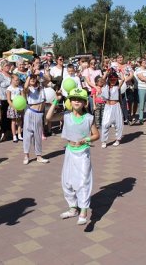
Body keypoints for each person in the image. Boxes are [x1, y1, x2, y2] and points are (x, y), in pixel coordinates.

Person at [46, 88, 100, 225]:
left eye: (79, 99)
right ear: (70, 102)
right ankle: (73, 208)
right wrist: (56, 100)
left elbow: (96, 135)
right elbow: (48, 117)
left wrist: (86, 140)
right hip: (70, 151)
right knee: (67, 182)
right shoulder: (66, 115)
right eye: (74, 99)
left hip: (82, 153)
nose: (76, 101)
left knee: (82, 182)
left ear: (84, 102)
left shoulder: (89, 118)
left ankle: (83, 211)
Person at [22, 73, 49, 165]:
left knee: (38, 135)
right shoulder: (29, 89)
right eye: (31, 78)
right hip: (30, 112)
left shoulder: (41, 87)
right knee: (27, 134)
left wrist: (40, 74)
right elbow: (25, 88)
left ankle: (39, 156)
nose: (32, 79)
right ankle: (26, 155)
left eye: (34, 78)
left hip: (39, 114)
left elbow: (48, 79)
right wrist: (30, 75)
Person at [100, 70, 124, 148]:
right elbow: (102, 80)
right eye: (111, 79)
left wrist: (120, 72)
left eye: (114, 79)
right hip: (107, 106)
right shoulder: (105, 86)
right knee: (105, 124)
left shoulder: (117, 87)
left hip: (116, 106)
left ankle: (118, 139)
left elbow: (123, 79)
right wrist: (106, 73)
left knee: (118, 123)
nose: (113, 81)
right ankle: (104, 141)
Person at [0, 60, 12, 141]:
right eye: (6, 65)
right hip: (2, 99)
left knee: (10, 116)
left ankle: (9, 132)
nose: (8, 66)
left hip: (11, 99)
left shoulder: (11, 75)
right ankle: (3, 132)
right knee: (3, 117)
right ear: (2, 67)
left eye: (8, 65)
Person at [6, 75, 23, 143]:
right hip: (13, 105)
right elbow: (8, 100)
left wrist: (21, 106)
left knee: (19, 120)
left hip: (19, 105)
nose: (17, 81)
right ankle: (14, 135)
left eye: (18, 80)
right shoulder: (9, 88)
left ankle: (19, 134)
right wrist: (14, 107)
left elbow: (22, 97)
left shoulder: (20, 88)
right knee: (13, 121)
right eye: (16, 80)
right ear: (12, 80)